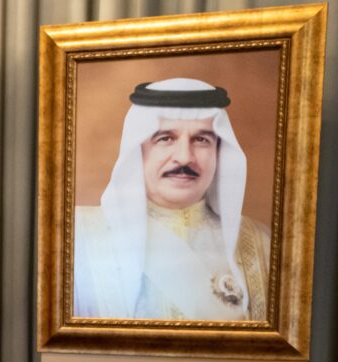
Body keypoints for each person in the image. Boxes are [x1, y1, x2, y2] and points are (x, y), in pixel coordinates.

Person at [73, 77, 271, 320]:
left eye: (202, 140)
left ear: (219, 152)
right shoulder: (77, 237)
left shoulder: (261, 244)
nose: (185, 157)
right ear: (138, 150)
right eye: (165, 139)